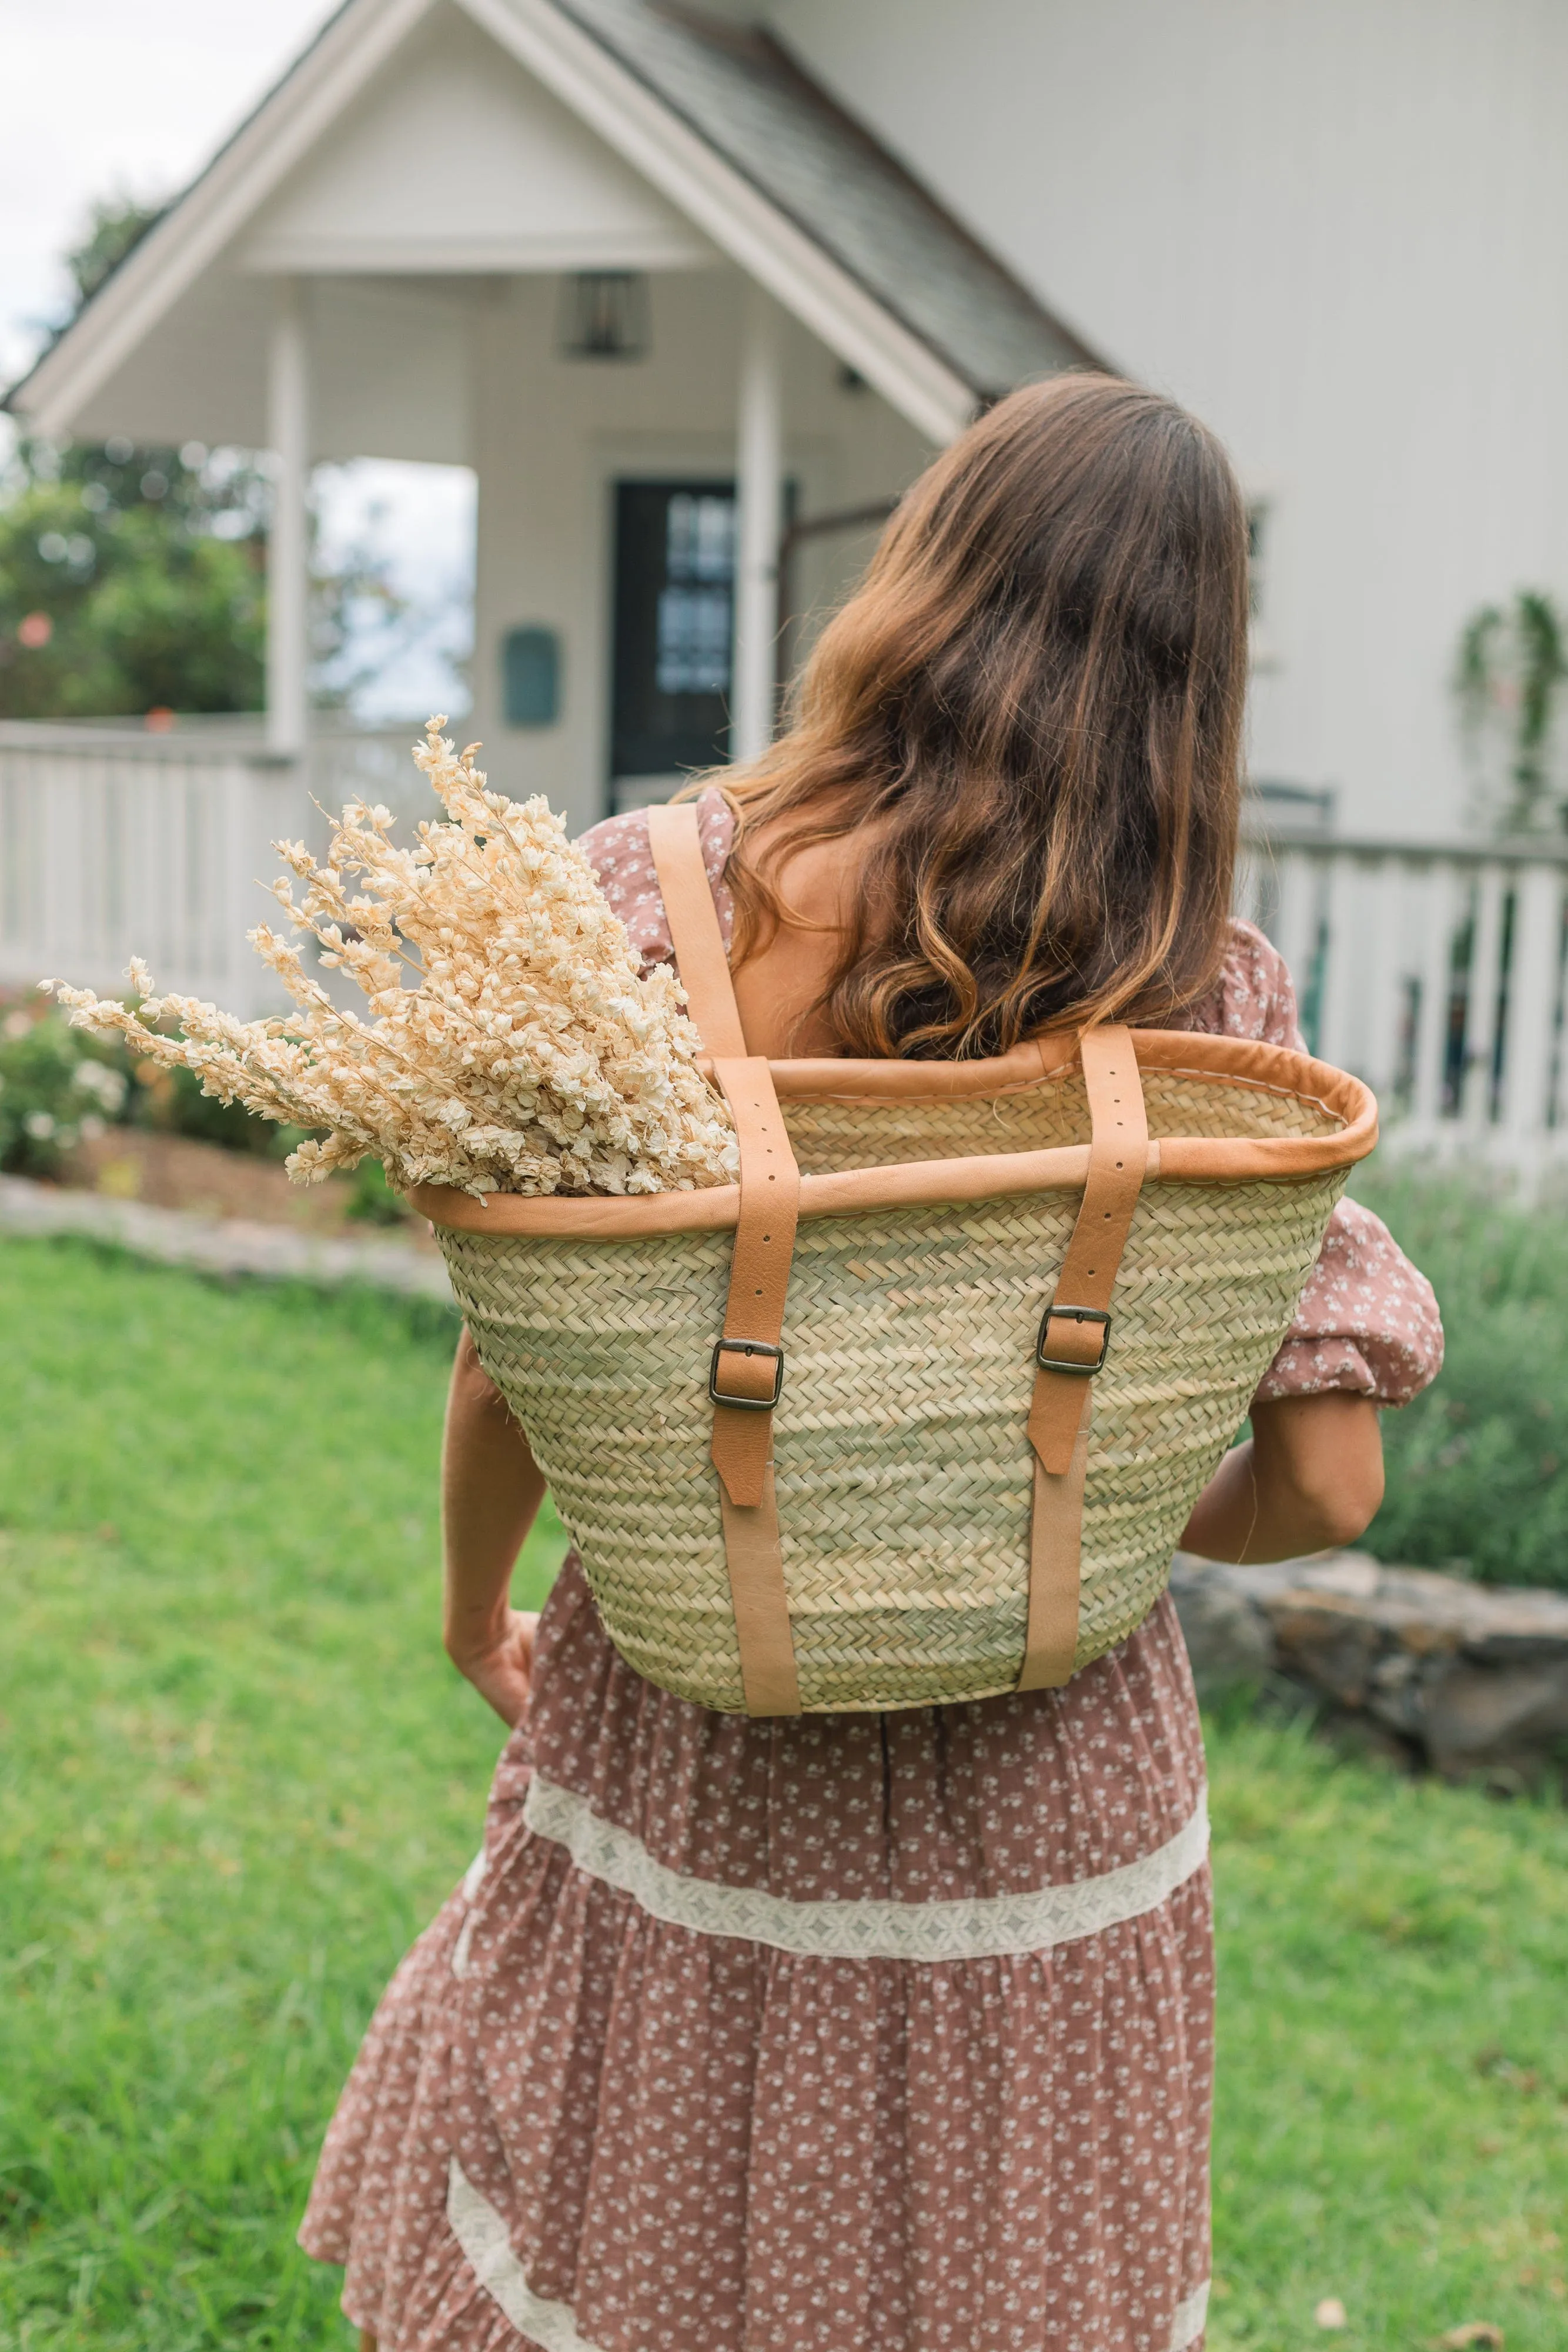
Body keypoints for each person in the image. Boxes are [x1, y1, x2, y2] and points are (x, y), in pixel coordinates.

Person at [300, 374, 1442, 2352]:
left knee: (637, 2240)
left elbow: (519, 1365)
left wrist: (477, 1606)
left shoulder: (649, 908)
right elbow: (1332, 1489)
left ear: (925, 574)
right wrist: (1071, 1494)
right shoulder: (1211, 998)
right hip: (1052, 1772)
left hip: (699, 1716)